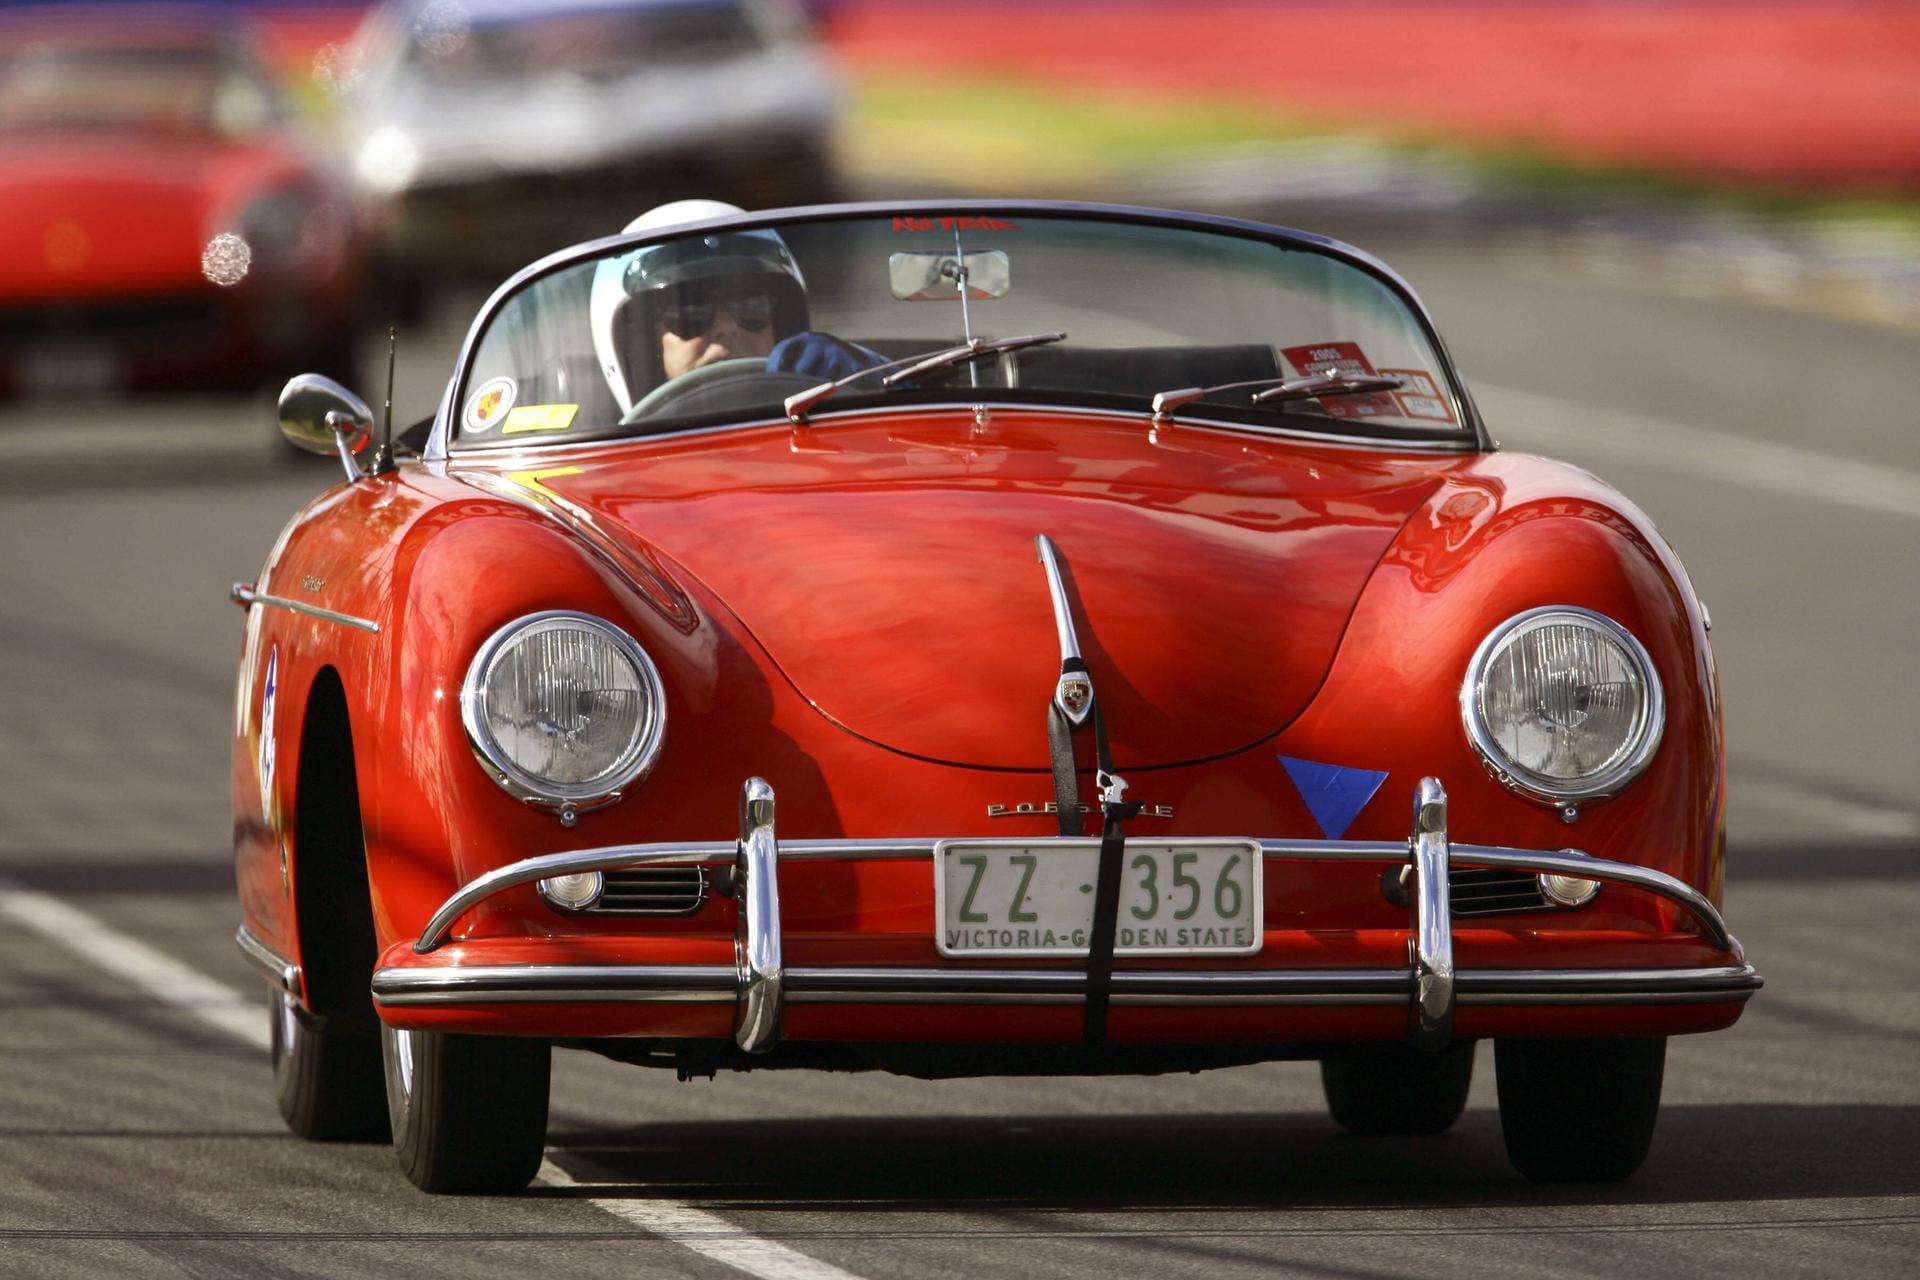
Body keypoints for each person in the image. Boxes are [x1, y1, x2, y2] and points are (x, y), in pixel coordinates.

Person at [590, 200, 879, 417]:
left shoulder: (836, 405)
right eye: (690, 312)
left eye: (751, 306)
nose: (726, 328)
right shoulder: (593, 456)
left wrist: (868, 385)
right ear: (641, 340)